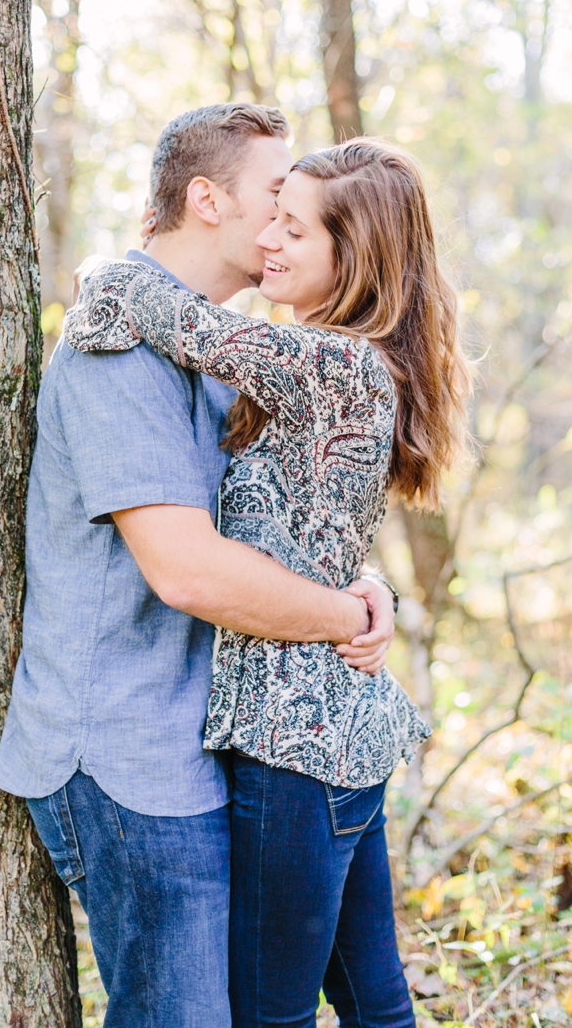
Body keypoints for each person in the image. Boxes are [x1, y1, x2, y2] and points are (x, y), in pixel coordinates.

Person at [0, 105, 397, 1028]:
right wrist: (343, 619)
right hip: (127, 750)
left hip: (205, 739)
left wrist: (363, 588)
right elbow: (188, 572)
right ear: (207, 200)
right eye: (274, 197)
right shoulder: (115, 347)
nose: (287, 218)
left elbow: (284, 527)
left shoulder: (217, 347)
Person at [65, 137, 470, 1028]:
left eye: (294, 229)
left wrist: (105, 267)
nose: (270, 244)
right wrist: (367, 591)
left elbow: (165, 313)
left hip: (294, 746)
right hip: (341, 734)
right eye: (272, 219)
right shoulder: (344, 360)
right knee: (375, 998)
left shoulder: (331, 363)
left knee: (267, 1013)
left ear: (352, 255)